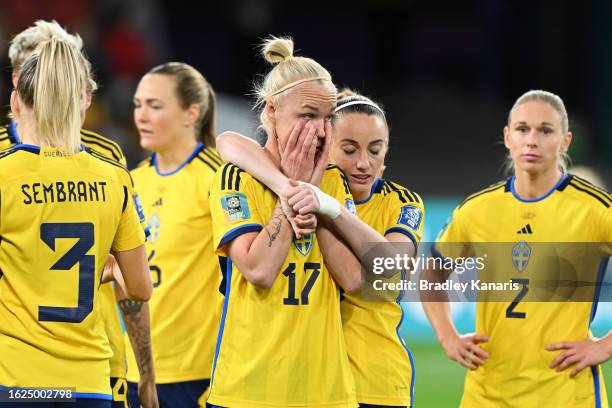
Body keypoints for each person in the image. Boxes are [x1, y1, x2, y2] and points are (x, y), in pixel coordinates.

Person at [216, 89, 424, 407]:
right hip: (315, 380)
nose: (364, 163)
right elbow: (228, 142)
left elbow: (381, 266)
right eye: (350, 149)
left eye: (376, 150)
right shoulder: (301, 193)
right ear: (324, 145)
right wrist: (294, 186)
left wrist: (327, 207)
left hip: (374, 377)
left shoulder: (399, 203)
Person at [421, 90, 611, 407]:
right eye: (523, 129)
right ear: (508, 137)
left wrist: (605, 347)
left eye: (545, 130)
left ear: (565, 141)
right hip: (487, 395)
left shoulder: (594, 211)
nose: (532, 140)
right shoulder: (478, 210)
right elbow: (431, 272)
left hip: (565, 394)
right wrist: (447, 336)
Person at [3, 20, 157, 408]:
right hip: (90, 375)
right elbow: (139, 288)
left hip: (19, 376)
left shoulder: (5, 173)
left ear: (17, 98)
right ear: (83, 98)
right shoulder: (113, 175)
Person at [127, 62, 222, 408]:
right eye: (138, 105)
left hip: (194, 372)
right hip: (133, 370)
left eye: (155, 106)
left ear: (190, 113)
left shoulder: (218, 179)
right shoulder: (131, 181)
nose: (142, 116)